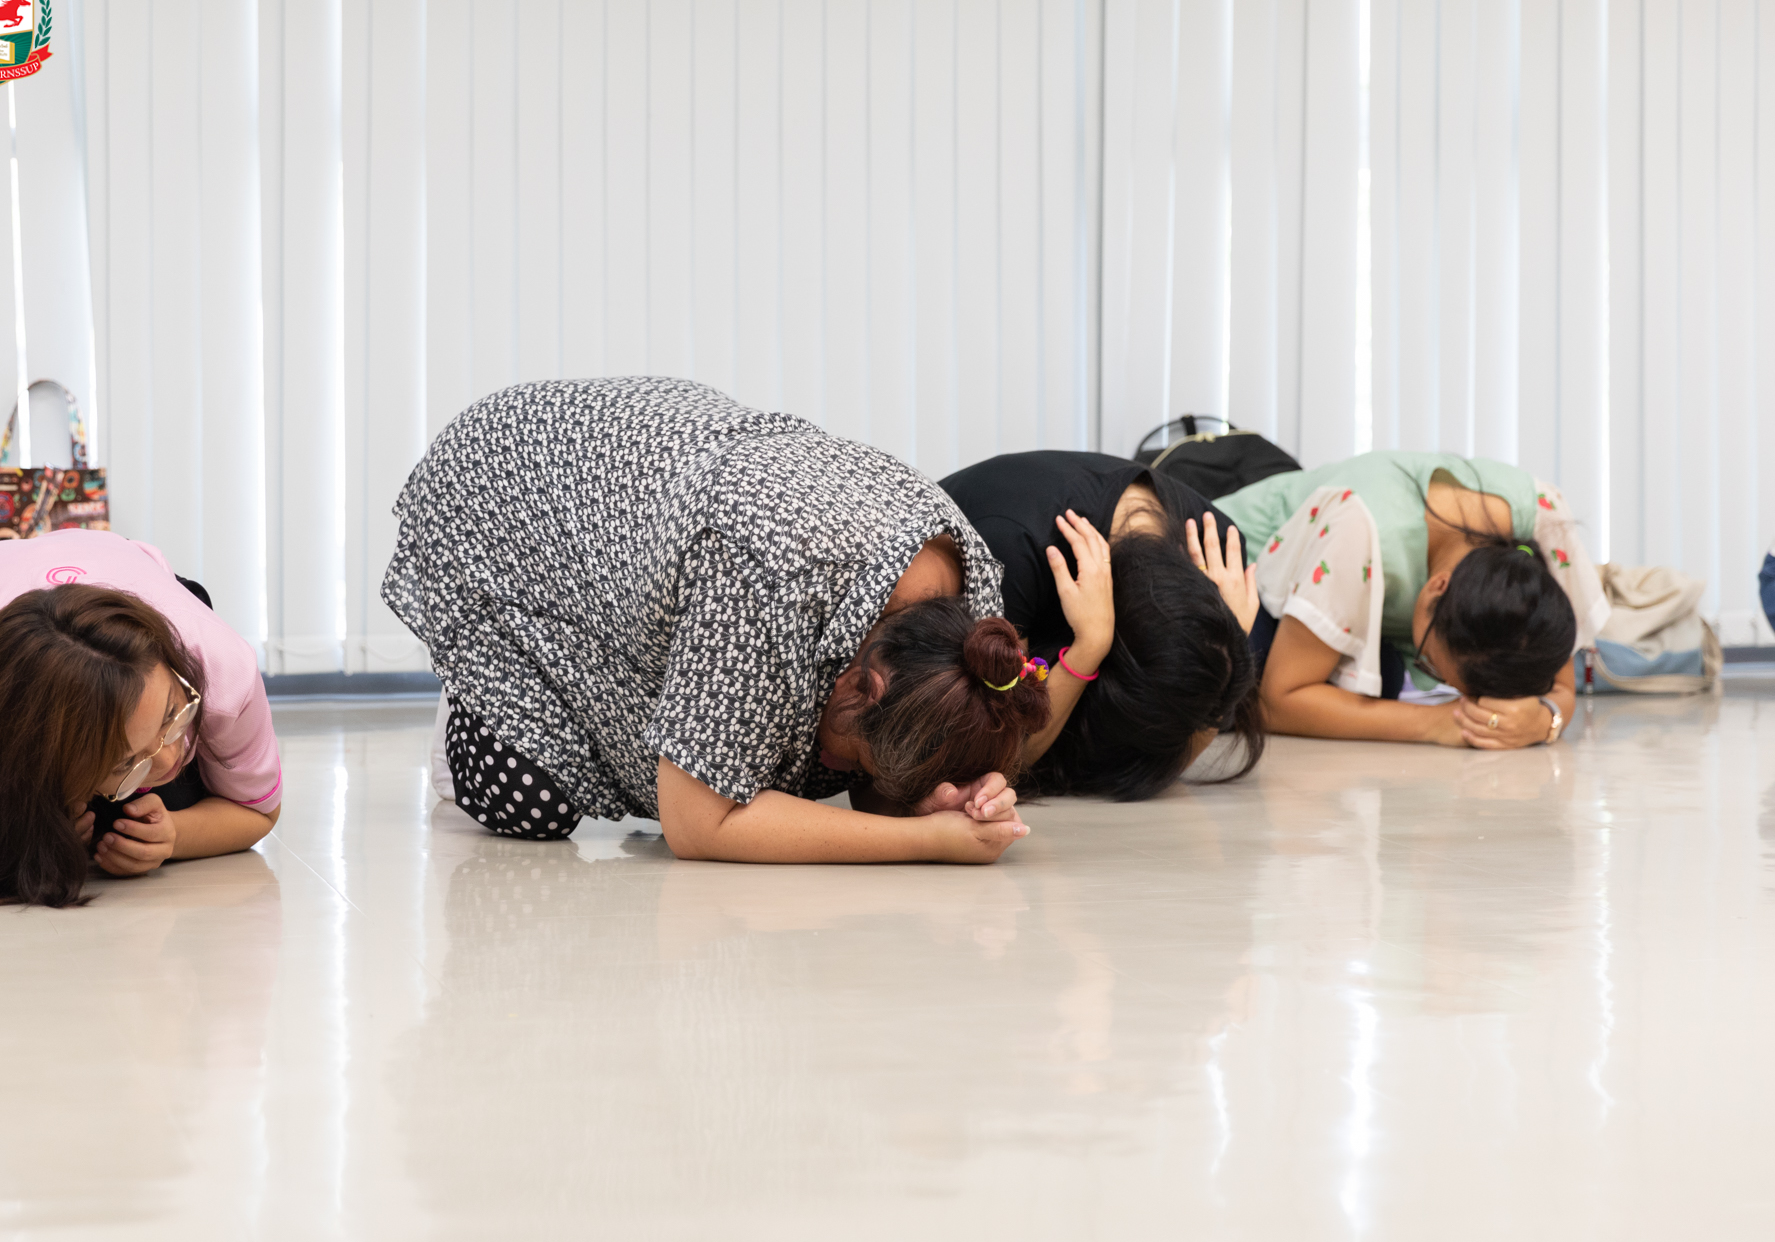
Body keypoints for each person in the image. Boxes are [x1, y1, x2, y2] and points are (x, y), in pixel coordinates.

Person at [382, 377, 1096, 865]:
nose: (844, 775)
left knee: (771, 766)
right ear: (862, 682)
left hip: (679, 495)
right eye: (859, 759)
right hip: (517, 482)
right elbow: (698, 825)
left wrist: (954, 795)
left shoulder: (969, 605)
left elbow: (898, 766)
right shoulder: (765, 576)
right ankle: (474, 698)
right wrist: (926, 841)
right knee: (532, 804)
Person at [0, 530, 284, 906]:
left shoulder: (223, 670)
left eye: (173, 713)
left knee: (159, 805)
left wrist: (177, 837)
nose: (169, 760)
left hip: (118, 566)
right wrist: (17, 837)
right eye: (124, 761)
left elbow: (258, 809)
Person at [1211, 451, 1610, 748]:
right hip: (1232, 570)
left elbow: (1561, 687)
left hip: (1342, 585)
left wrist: (1544, 721)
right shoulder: (1359, 529)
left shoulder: (1546, 523)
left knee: (1375, 676)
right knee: (1226, 674)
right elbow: (1277, 703)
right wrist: (1435, 724)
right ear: (1437, 586)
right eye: (1430, 664)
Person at [940, 451, 1265, 801]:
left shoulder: (1214, 550)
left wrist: (1229, 645)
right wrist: (1089, 646)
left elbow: (1187, 726)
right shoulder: (1013, 548)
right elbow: (1003, 757)